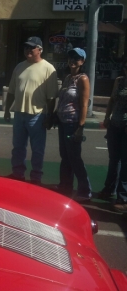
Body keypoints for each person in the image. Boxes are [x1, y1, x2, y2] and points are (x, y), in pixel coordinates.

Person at [4, 37, 58, 184]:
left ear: (39, 50)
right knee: (18, 147)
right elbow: (11, 92)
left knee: (37, 150)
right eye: (26, 47)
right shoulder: (19, 66)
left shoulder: (49, 69)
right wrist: (7, 110)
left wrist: (49, 116)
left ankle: (36, 177)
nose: (28, 50)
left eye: (31, 47)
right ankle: (18, 173)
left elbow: (51, 97)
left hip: (38, 115)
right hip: (19, 114)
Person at [54, 48, 91, 202]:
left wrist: (80, 127)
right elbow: (62, 99)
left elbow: (84, 105)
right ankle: (65, 185)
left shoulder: (83, 79)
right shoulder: (68, 77)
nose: (72, 61)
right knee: (65, 156)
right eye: (70, 58)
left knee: (74, 157)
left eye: (76, 58)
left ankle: (85, 190)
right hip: (63, 122)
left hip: (73, 123)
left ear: (82, 61)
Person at [101, 63, 127, 212]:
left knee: (125, 161)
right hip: (114, 125)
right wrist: (107, 117)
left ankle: (122, 197)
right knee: (113, 159)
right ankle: (109, 188)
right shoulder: (119, 80)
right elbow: (111, 99)